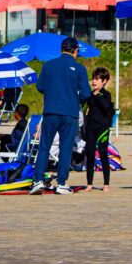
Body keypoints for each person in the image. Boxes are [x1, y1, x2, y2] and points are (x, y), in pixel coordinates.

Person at [30, 37, 91, 195]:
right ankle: (62, 183)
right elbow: (86, 92)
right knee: (65, 148)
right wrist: (76, 100)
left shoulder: (48, 65)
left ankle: (37, 181)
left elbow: (40, 86)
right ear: (75, 50)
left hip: (50, 110)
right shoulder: (79, 68)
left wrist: (53, 92)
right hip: (70, 112)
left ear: (61, 49)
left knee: (44, 147)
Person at [83, 67, 114, 192]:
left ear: (104, 81)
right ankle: (89, 184)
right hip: (91, 127)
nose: (94, 82)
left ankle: (106, 184)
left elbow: (106, 106)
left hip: (102, 128)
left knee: (103, 154)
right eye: (93, 79)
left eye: (97, 79)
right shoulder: (90, 95)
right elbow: (85, 108)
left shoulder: (106, 95)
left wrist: (98, 96)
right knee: (90, 154)